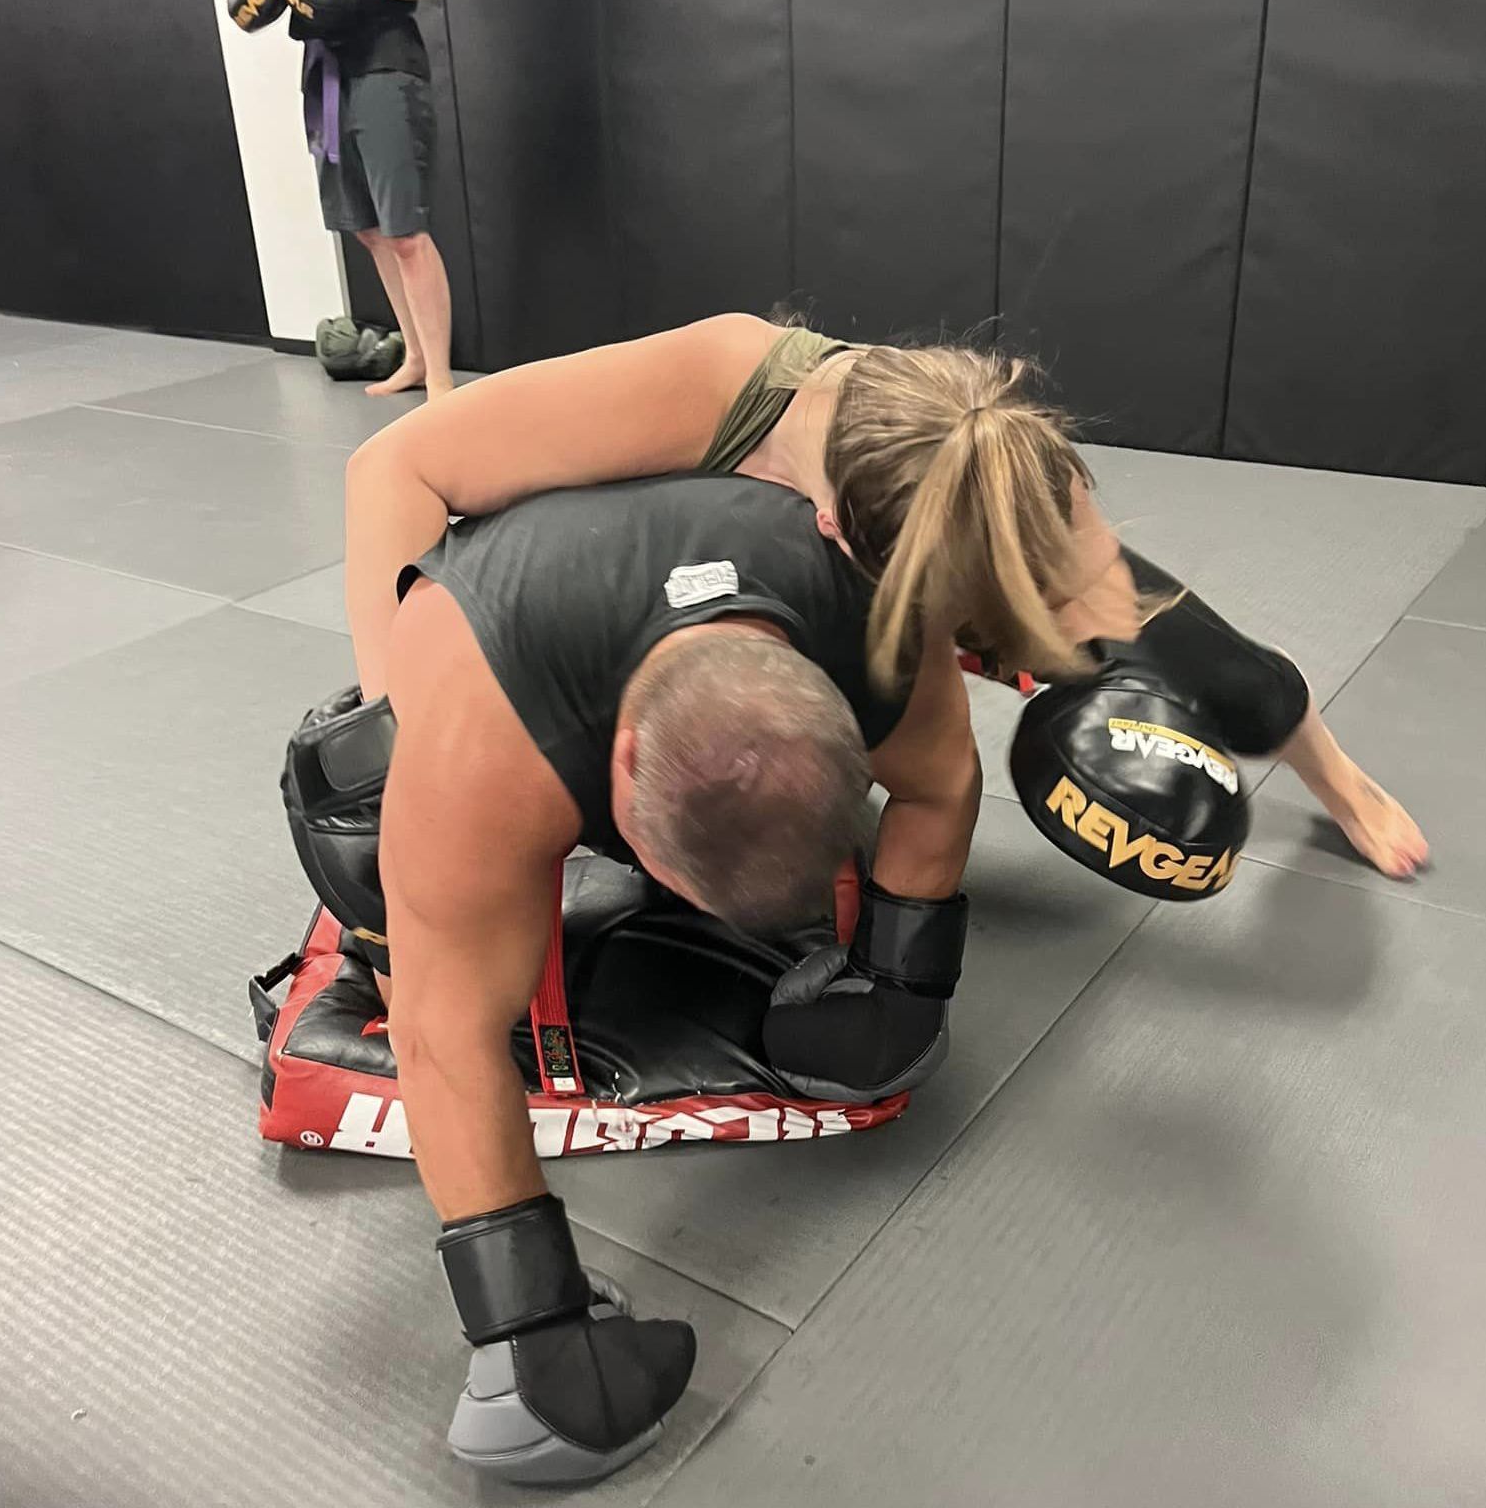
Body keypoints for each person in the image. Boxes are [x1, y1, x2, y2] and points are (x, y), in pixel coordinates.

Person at [289, 469, 993, 1484]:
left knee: (752, 849)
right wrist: (527, 1330)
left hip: (663, 640)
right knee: (352, 818)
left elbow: (945, 783)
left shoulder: (883, 625)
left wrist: (897, 986)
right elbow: (443, 1039)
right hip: (506, 644)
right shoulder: (484, 738)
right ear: (614, 773)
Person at [344, 314, 1430, 878]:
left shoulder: (1001, 461)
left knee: (1181, 657)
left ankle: (1336, 775)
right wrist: (398, 739)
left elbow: (1140, 626)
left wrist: (1294, 745)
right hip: (593, 595)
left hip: (841, 564)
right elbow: (390, 472)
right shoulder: (712, 381)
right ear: (835, 531)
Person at [283, 0, 457, 400]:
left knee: (405, 234)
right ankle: (414, 357)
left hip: (385, 69)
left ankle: (439, 377)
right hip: (329, 77)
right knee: (370, 230)